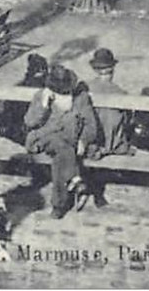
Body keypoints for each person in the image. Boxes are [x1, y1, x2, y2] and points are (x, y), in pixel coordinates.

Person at [23, 65, 100, 218]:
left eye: (67, 92)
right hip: (44, 139)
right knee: (63, 148)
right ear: (52, 91)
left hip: (68, 144)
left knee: (62, 155)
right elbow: (29, 122)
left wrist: (83, 141)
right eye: (60, 93)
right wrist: (43, 106)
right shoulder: (42, 97)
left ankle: (60, 203)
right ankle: (74, 180)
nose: (65, 96)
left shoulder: (81, 99)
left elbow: (91, 126)